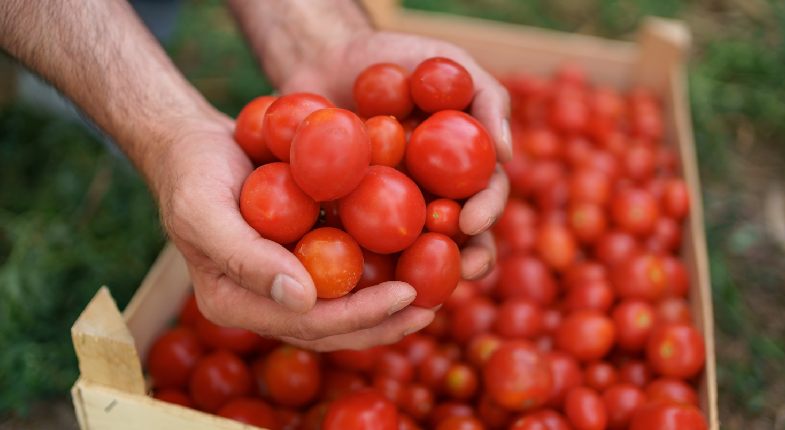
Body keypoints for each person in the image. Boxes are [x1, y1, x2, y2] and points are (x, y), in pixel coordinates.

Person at [0, 0, 511, 351]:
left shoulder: (364, 165)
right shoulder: (325, 164)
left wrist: (317, 34)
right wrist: (161, 128)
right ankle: (45, 79)